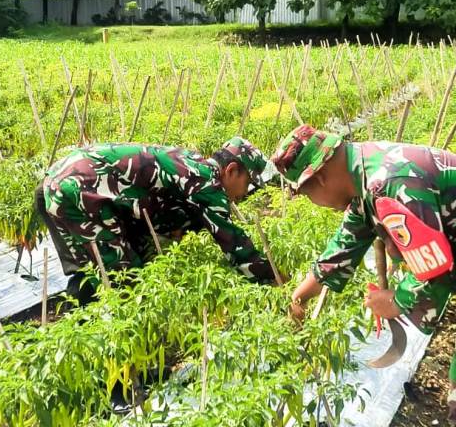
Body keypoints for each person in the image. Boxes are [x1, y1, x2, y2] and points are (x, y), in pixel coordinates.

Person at [271, 124, 456, 422]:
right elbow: (346, 244)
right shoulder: (362, 175)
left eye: (307, 195)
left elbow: (435, 268)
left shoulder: (389, 183)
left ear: (318, 179)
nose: (313, 203)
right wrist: (299, 296)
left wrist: (396, 300)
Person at [34, 138, 280, 300]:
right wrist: (277, 280)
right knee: (124, 280)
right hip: (79, 188)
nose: (244, 193)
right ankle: (117, 363)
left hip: (60, 180)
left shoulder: (193, 163)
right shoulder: (207, 183)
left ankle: (84, 319)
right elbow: (234, 245)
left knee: (92, 269)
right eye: (247, 183)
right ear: (232, 170)